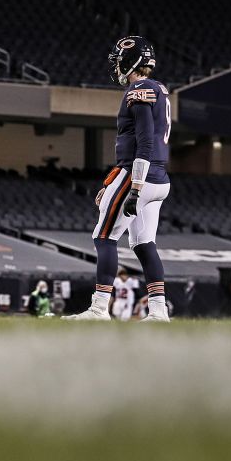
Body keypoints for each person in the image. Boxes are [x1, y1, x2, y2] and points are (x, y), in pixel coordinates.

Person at [67, 36, 171, 322]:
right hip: (159, 178)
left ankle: (99, 309)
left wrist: (133, 187)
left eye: (118, 60)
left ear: (130, 60)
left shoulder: (138, 88)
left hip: (139, 174)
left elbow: (144, 142)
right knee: (143, 243)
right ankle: (159, 311)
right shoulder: (158, 88)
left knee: (104, 236)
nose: (116, 66)